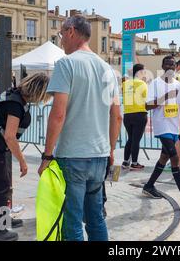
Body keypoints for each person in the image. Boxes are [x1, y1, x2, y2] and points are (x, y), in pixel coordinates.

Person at [38, 15, 122, 241]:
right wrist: (111, 150)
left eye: (61, 34)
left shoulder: (67, 64)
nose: (61, 39)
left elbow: (58, 114)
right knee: (96, 218)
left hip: (73, 155)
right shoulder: (108, 70)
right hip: (100, 154)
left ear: (71, 31)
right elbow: (116, 117)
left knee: (72, 221)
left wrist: (47, 154)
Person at [0, 73, 51, 241]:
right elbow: (10, 136)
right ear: (39, 91)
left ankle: (3, 222)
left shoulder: (16, 96)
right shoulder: (15, 104)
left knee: (4, 184)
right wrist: (22, 161)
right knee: (0, 186)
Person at [142, 55, 180, 213]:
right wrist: (164, 97)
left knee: (164, 157)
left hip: (173, 128)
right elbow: (147, 106)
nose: (169, 67)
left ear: (175, 67)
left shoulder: (178, 85)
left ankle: (149, 185)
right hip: (162, 127)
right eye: (167, 64)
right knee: (174, 158)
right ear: (162, 66)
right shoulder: (155, 83)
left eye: (172, 65)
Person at [122, 64, 148, 170]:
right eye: (144, 72)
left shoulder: (125, 84)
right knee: (136, 139)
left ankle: (125, 162)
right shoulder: (142, 83)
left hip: (127, 114)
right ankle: (134, 162)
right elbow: (147, 98)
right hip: (139, 113)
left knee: (130, 139)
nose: (145, 74)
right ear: (139, 72)